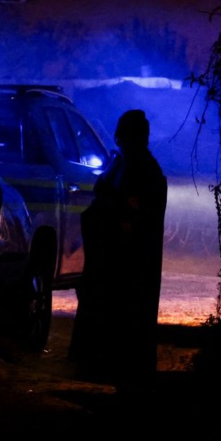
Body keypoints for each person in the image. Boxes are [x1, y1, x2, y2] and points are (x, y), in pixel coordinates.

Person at [68, 109, 167, 399]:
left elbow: (134, 208)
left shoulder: (141, 168)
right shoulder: (124, 163)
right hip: (110, 257)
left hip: (124, 261)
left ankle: (117, 370)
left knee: (121, 312)